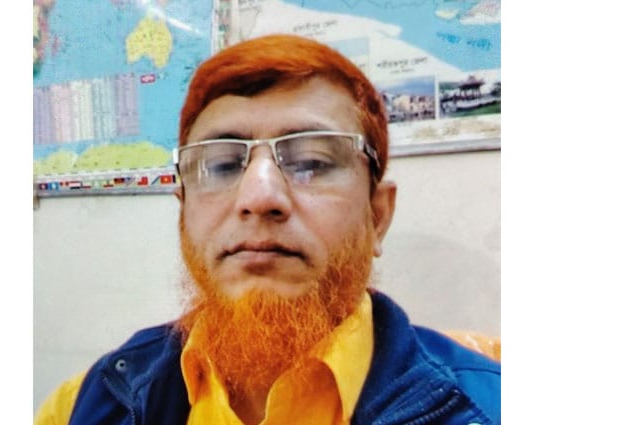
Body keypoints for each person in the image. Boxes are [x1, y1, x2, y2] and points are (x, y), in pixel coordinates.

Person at [35, 34, 500, 425]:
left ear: (377, 216)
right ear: (183, 214)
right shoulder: (85, 406)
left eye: (312, 162)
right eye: (221, 165)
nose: (259, 197)